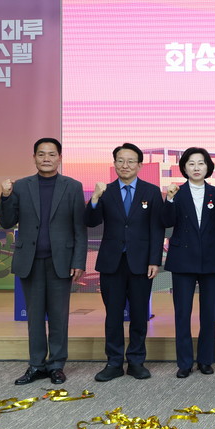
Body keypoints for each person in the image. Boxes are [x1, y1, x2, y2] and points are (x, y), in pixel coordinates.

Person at [0, 138, 87, 385]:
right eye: (41, 154)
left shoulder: (73, 187)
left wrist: (79, 261)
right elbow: (6, 222)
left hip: (61, 262)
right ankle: (36, 365)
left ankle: (56, 365)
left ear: (60, 157)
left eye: (51, 154)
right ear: (34, 157)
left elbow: (79, 228)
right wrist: (5, 196)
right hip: (31, 261)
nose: (46, 158)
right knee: (34, 318)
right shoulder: (21, 186)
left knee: (58, 317)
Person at [85, 143, 164, 382]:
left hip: (141, 262)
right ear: (114, 164)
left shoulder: (151, 191)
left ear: (139, 165)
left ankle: (137, 361)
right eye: (120, 160)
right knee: (113, 315)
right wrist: (94, 198)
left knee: (139, 315)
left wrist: (154, 260)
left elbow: (157, 228)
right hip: (112, 263)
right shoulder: (105, 191)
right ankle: (114, 362)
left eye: (130, 161)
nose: (125, 165)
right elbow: (90, 221)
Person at [161, 147, 215, 378]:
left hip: (211, 260)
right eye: (191, 163)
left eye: (201, 163)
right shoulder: (176, 193)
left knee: (208, 313)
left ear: (208, 167)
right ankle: (184, 362)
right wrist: (169, 199)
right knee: (182, 313)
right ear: (184, 168)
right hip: (182, 261)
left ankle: (205, 360)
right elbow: (167, 221)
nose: (196, 167)